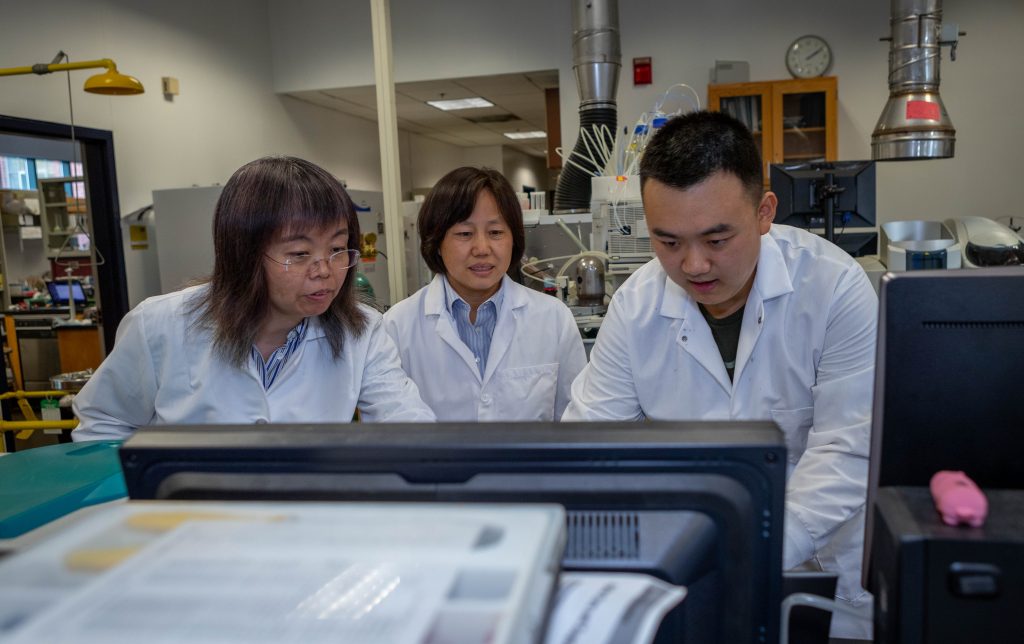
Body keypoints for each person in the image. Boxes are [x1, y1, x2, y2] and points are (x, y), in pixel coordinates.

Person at [562, 111, 877, 638]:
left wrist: (753, 547)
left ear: (764, 211)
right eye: (668, 242)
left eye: (716, 239)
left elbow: (848, 448)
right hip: (686, 571)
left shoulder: (834, 289)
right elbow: (590, 439)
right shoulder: (635, 307)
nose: (693, 266)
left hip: (823, 574)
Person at [72, 156, 434, 440]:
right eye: (299, 254)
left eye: (338, 248)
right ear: (243, 254)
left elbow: (405, 420)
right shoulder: (160, 325)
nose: (325, 270)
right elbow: (104, 423)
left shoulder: (363, 330)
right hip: (190, 523)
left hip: (304, 522)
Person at [383, 167, 586, 421]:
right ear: (436, 242)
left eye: (496, 232)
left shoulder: (554, 318)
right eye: (464, 234)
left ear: (514, 238)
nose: (482, 248)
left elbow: (576, 421)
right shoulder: (397, 326)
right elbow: (390, 430)